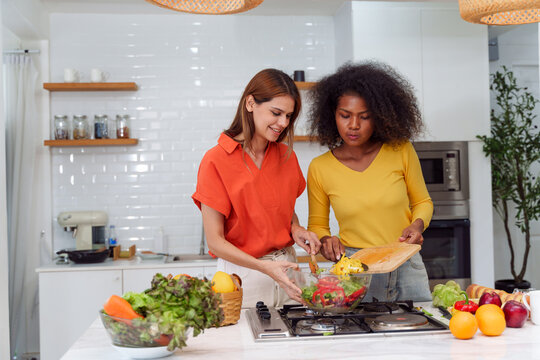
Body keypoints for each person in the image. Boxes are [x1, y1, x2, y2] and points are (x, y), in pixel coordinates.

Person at [192, 68, 321, 308]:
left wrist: (296, 228)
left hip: (289, 269)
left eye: (289, 116)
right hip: (243, 276)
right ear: (250, 103)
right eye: (276, 112)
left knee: (299, 344)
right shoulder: (215, 160)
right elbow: (215, 242)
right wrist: (265, 268)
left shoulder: (286, 156)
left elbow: (281, 208)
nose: (283, 123)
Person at [306, 61, 433, 302]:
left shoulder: (401, 150)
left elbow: (423, 201)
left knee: (423, 334)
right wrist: (326, 241)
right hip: (357, 272)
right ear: (332, 115)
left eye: (364, 117)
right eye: (345, 116)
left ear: (380, 117)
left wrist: (417, 226)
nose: (353, 125)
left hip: (406, 261)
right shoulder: (320, 167)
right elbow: (318, 225)